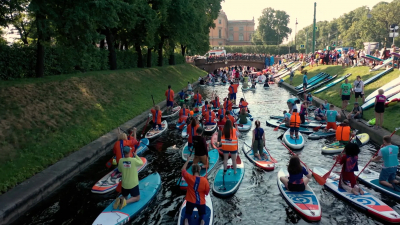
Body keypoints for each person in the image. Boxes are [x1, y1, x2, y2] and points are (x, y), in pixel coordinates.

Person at [181, 153, 210, 225]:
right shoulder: (204, 181)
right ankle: (202, 222)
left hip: (190, 201)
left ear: (192, 170)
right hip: (201, 202)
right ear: (199, 170)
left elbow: (183, 170)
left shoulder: (189, 178)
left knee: (187, 213)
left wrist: (187, 160)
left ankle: (186, 222)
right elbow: (206, 192)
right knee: (202, 214)